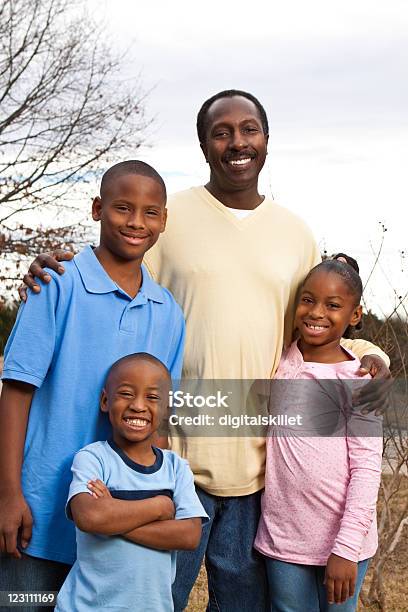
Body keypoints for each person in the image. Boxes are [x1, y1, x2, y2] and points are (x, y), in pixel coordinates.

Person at [19, 90, 391, 611]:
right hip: (172, 458)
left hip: (259, 468)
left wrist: (371, 351)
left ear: (266, 139)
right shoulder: (173, 218)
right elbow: (114, 276)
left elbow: (313, 327)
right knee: (147, 597)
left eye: (248, 129)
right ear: (203, 144)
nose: (237, 141)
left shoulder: (297, 233)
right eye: (221, 132)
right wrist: (51, 269)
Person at [0, 161, 185, 601]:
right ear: (97, 208)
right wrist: (8, 493)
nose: (136, 222)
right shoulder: (57, 285)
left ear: (163, 220)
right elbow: (16, 391)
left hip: (117, 524)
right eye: (123, 208)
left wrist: (147, 511)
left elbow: (158, 426)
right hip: (39, 515)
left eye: (150, 212)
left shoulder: (168, 312)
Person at [255, 256, 382, 611]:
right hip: (284, 540)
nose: (316, 312)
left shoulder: (358, 382)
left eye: (333, 305)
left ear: (354, 315)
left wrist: (345, 548)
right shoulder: (279, 362)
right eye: (308, 299)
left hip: (344, 546)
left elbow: (367, 470)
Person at [55, 352, 208, 612]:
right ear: (105, 400)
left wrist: (113, 516)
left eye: (152, 397)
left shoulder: (176, 469)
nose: (138, 405)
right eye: (126, 393)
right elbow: (90, 518)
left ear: (167, 408)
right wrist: (159, 508)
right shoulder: (93, 458)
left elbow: (189, 535)